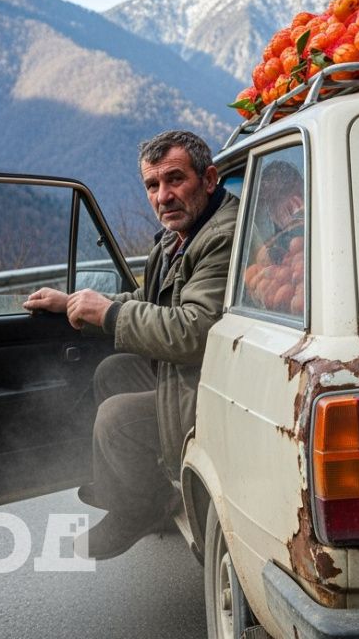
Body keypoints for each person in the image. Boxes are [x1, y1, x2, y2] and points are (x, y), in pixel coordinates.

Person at [23, 130, 239, 559]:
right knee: (113, 370)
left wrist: (110, 314)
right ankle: (152, 489)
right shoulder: (176, 238)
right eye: (153, 186)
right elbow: (152, 301)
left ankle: (136, 509)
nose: (163, 196)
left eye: (175, 180)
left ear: (210, 179)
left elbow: (193, 330)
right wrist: (73, 302)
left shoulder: (221, 236)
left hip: (217, 386)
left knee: (115, 418)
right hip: (188, 376)